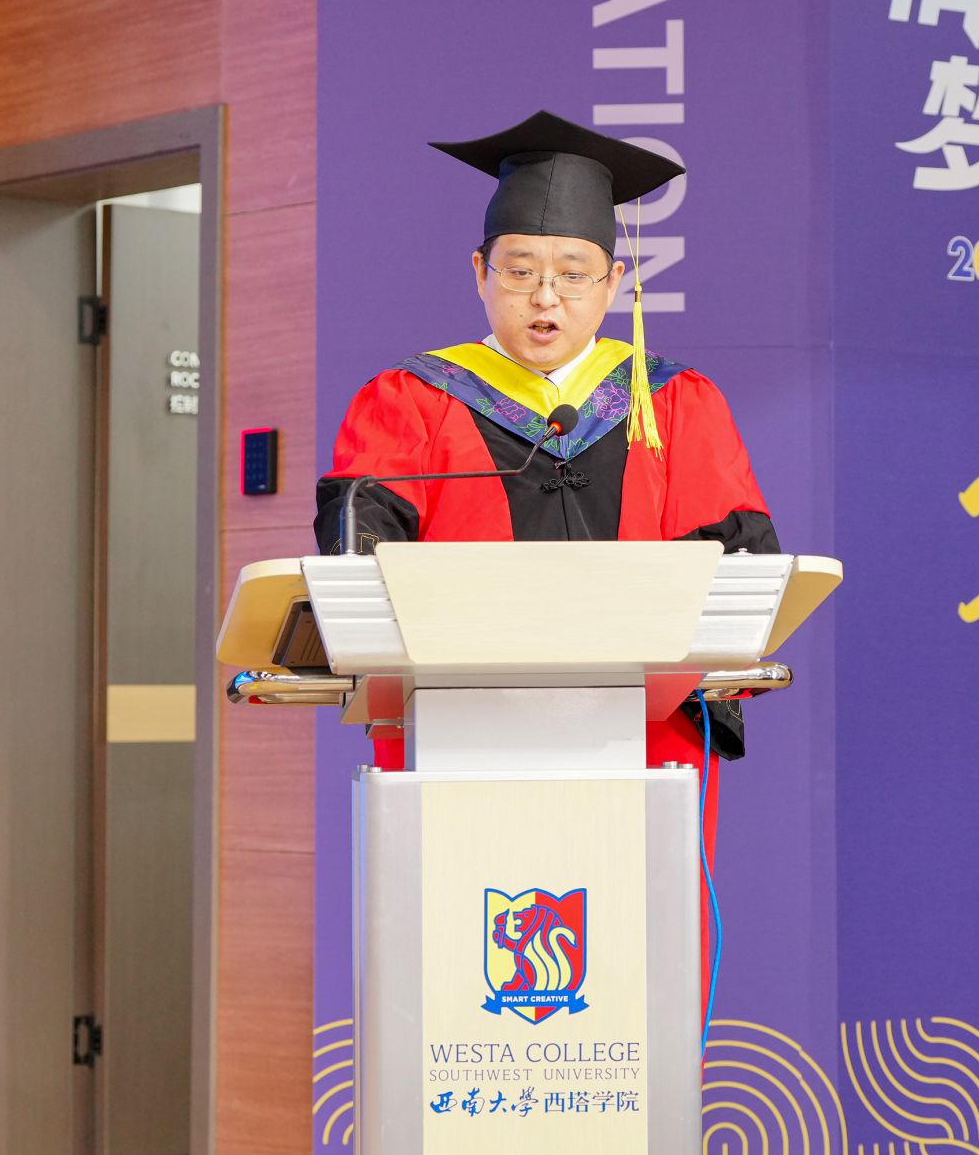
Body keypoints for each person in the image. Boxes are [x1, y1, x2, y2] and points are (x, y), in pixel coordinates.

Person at [313, 110, 781, 991]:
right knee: (462, 986)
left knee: (635, 984)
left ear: (615, 282)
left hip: (645, 747)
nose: (545, 298)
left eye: (572, 273)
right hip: (461, 742)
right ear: (479, 272)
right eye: (521, 270)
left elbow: (740, 574)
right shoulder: (410, 402)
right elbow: (358, 565)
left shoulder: (675, 405)